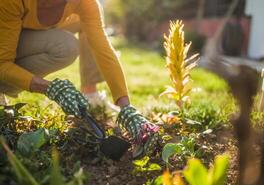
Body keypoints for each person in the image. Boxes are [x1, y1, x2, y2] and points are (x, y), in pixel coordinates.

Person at [0, 0, 159, 159]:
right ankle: (4, 88)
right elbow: (2, 62)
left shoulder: (84, 2)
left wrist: (126, 107)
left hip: (22, 34)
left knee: (84, 27)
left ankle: (91, 94)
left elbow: (103, 49)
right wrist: (48, 87)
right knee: (65, 46)